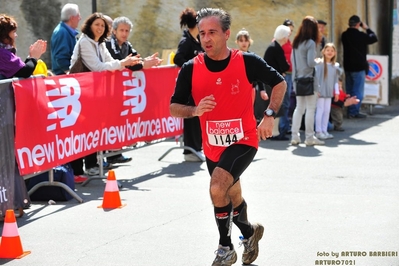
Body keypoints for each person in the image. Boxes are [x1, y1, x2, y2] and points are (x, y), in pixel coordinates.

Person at [170, 7, 286, 266]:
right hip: (212, 145)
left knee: (217, 187)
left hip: (243, 139)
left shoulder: (246, 61)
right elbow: (174, 106)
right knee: (231, 195)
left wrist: (269, 115)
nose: (206, 38)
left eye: (212, 32)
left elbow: (279, 82)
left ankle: (225, 248)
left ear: (226, 33)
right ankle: (249, 231)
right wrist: (195, 109)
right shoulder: (191, 68)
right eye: (202, 34)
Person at [69, 12, 141, 178]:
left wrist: (125, 64)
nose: (100, 28)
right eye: (97, 25)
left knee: (93, 128)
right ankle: (78, 169)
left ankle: (92, 164)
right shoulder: (85, 42)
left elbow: (110, 63)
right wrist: (122, 63)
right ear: (89, 26)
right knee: (81, 130)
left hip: (94, 92)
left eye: (102, 26)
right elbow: (98, 66)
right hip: (81, 92)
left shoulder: (100, 44)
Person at [105, 16, 161, 164]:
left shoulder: (127, 44)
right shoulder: (108, 44)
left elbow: (135, 59)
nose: (124, 33)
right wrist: (143, 64)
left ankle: (115, 153)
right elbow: (124, 63)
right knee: (108, 120)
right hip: (107, 89)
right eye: (121, 30)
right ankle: (106, 155)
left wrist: (147, 61)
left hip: (120, 91)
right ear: (114, 31)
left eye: (127, 31)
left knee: (118, 119)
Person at [173, 7, 204, 162]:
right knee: (191, 116)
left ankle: (197, 148)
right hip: (189, 85)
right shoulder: (186, 41)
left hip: (198, 85)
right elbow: (177, 58)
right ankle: (190, 151)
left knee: (198, 116)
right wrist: (191, 69)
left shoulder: (197, 40)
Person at [290, 16, 324, 146]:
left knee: (299, 108)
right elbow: (310, 62)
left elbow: (294, 63)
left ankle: (295, 136)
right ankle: (309, 137)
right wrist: (318, 61)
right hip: (310, 79)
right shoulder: (310, 43)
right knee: (310, 109)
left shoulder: (296, 43)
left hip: (298, 79)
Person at [341, 15, 377, 119]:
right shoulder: (361, 35)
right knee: (357, 91)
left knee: (349, 89)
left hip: (348, 66)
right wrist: (367, 28)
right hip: (359, 66)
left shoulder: (344, 35)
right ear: (358, 24)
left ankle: (348, 110)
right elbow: (374, 38)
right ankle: (353, 112)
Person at [235, 28, 268, 124]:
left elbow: (258, 74)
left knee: (249, 111)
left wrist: (262, 90)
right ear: (237, 42)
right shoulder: (234, 57)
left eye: (246, 40)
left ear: (249, 42)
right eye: (241, 41)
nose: (244, 43)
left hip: (250, 89)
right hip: (237, 89)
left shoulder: (252, 57)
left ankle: (248, 131)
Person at [263, 25, 291, 140]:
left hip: (270, 82)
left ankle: (274, 132)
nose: (287, 38)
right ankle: (275, 133)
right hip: (273, 83)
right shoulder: (277, 48)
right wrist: (284, 69)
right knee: (276, 106)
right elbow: (284, 66)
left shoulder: (273, 46)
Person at [0, 14, 47, 79]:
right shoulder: (2, 53)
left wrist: (31, 57)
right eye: (13, 32)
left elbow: (19, 70)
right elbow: (25, 71)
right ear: (4, 35)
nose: (16, 35)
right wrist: (33, 57)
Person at [314, 43, 340, 140]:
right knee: (320, 110)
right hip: (320, 91)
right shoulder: (319, 64)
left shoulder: (335, 66)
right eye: (327, 50)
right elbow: (316, 77)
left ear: (335, 53)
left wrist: (336, 92)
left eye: (332, 51)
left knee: (326, 111)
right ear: (323, 51)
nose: (329, 52)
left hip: (329, 92)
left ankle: (324, 130)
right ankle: (318, 131)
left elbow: (335, 80)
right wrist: (316, 89)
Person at [50, 3, 81, 75]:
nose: (80, 18)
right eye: (78, 16)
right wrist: (70, 72)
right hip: (64, 77)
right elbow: (61, 57)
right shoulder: (62, 32)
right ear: (72, 18)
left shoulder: (66, 31)